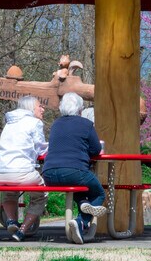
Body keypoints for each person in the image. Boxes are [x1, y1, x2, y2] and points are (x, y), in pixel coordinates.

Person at [42, 92, 107, 244]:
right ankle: (81, 222)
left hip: (49, 174)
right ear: (80, 110)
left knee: (79, 189)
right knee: (99, 193)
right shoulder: (85, 124)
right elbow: (96, 149)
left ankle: (83, 203)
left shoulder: (56, 124)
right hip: (74, 171)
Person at [0, 96, 49, 242]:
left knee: (10, 192)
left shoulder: (9, 123)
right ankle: (22, 230)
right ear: (30, 109)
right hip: (21, 172)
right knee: (41, 194)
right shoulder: (35, 123)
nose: (43, 109)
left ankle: (11, 221)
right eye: (40, 106)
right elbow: (41, 150)